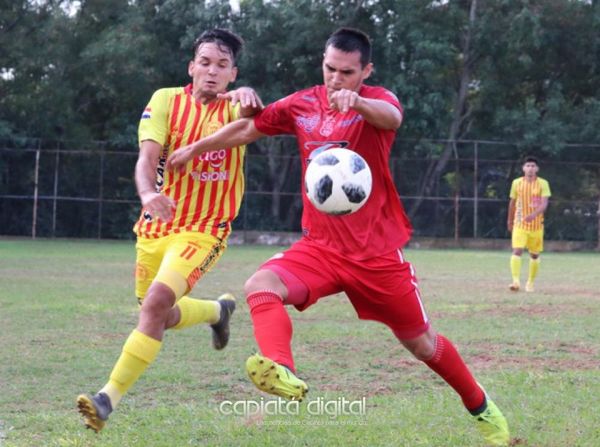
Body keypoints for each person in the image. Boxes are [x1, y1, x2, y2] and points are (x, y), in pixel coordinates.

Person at [167, 27, 510, 446]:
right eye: (330, 69)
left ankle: (481, 407)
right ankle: (281, 369)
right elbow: (248, 129)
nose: (336, 79)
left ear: (366, 70)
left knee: (421, 344)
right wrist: (193, 148)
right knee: (261, 284)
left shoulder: (377, 102)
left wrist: (359, 102)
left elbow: (393, 118)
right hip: (320, 247)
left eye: (347, 72)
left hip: (376, 255)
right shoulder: (302, 104)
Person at [76, 28, 264, 433]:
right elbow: (148, 156)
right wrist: (147, 194)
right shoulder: (165, 100)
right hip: (157, 225)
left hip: (204, 229)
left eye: (223, 65)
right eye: (206, 62)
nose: (212, 72)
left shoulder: (233, 106)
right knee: (157, 313)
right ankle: (217, 311)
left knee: (155, 302)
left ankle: (106, 399)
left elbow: (253, 121)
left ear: (233, 74)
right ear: (191, 67)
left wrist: (248, 97)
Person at [507, 156, 551, 292]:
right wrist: (509, 220)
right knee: (517, 250)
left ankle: (530, 283)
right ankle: (515, 282)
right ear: (523, 168)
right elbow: (512, 202)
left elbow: (544, 204)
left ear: (537, 169)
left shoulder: (543, 183)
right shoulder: (516, 183)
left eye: (533, 166)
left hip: (536, 225)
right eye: (528, 166)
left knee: (534, 255)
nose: (530, 168)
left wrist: (533, 215)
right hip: (519, 223)